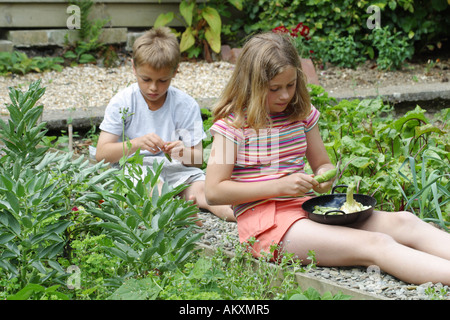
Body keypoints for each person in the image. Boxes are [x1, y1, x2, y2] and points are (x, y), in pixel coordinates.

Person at [204, 31, 450, 285]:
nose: (285, 96)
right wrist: (279, 186)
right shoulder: (231, 126)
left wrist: (324, 178)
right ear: (251, 84)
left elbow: (322, 163)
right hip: (266, 223)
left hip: (308, 209)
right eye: (274, 89)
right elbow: (213, 191)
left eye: (290, 85)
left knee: (405, 221)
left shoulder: (300, 113)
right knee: (376, 244)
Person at [95, 27, 235, 223]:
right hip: (137, 169)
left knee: (207, 191)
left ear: (175, 71)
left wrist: (181, 152)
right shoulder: (123, 102)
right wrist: (136, 144)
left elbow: (195, 159)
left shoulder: (185, 105)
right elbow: (102, 153)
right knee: (153, 186)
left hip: (177, 171)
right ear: (134, 68)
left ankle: (244, 216)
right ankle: (176, 212)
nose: (153, 87)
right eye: (146, 79)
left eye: (162, 80)